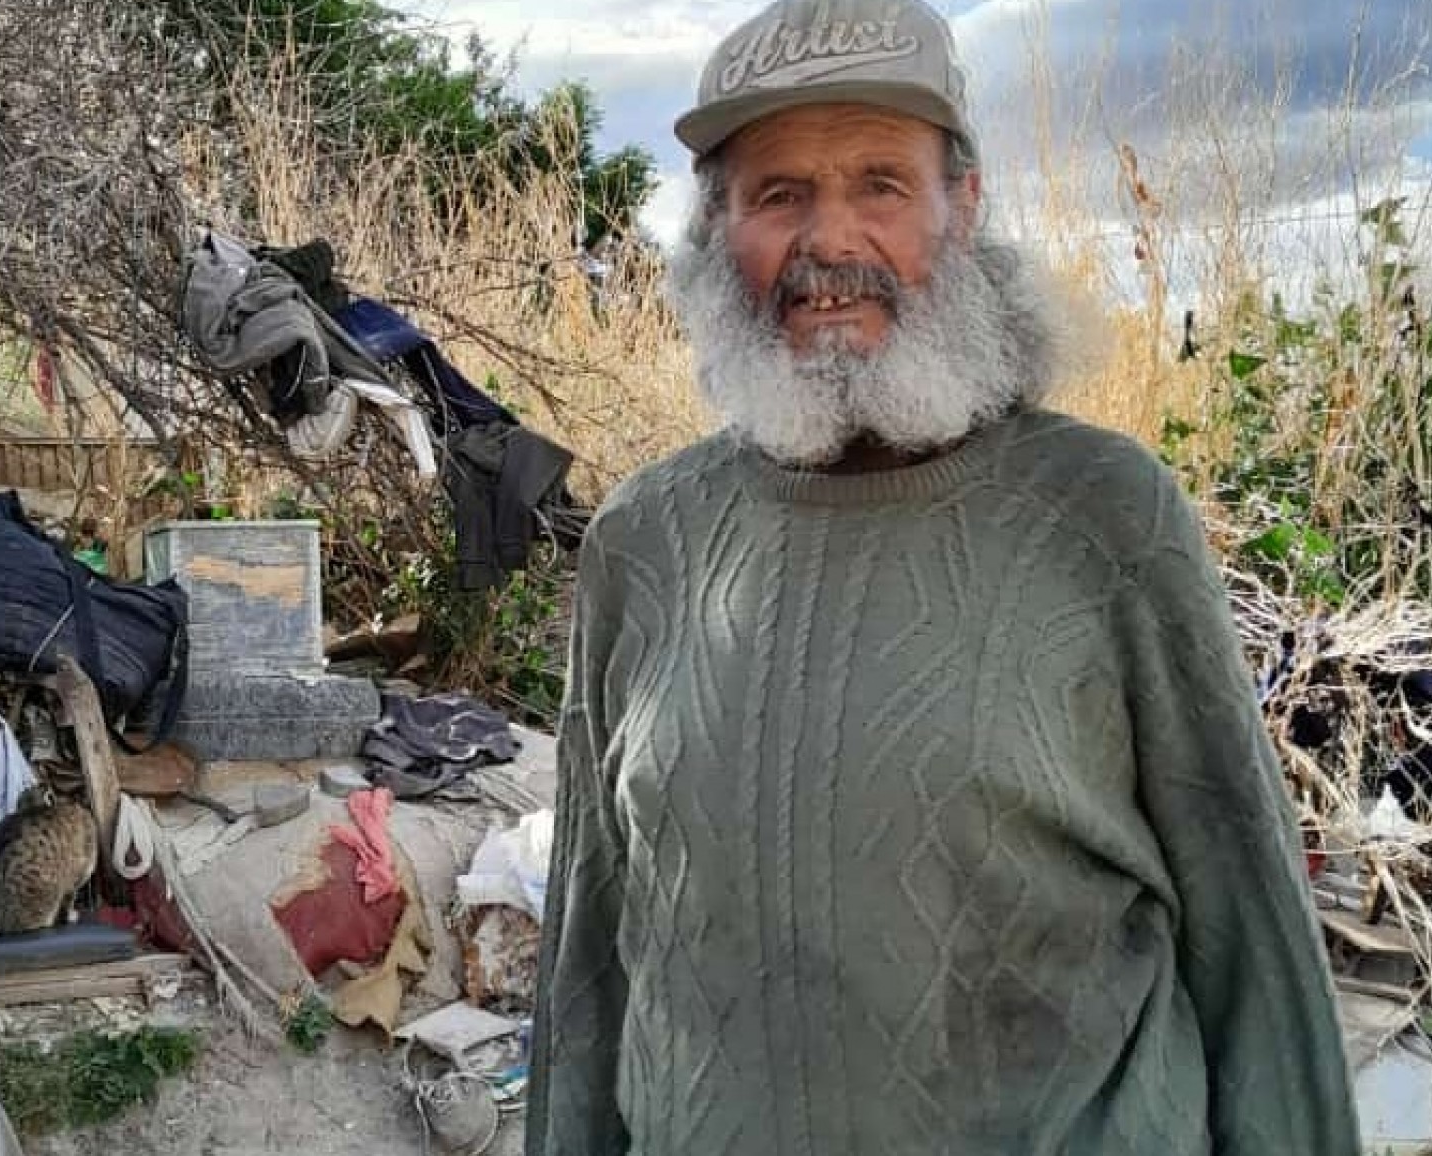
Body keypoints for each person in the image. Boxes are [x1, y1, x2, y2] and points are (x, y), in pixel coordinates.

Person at [523, 0, 1362, 1153]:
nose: (829, 243)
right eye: (778, 195)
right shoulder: (645, 538)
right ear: (720, 230)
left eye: (880, 183)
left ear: (961, 208)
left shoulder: (1105, 513)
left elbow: (1252, 939)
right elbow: (587, 949)